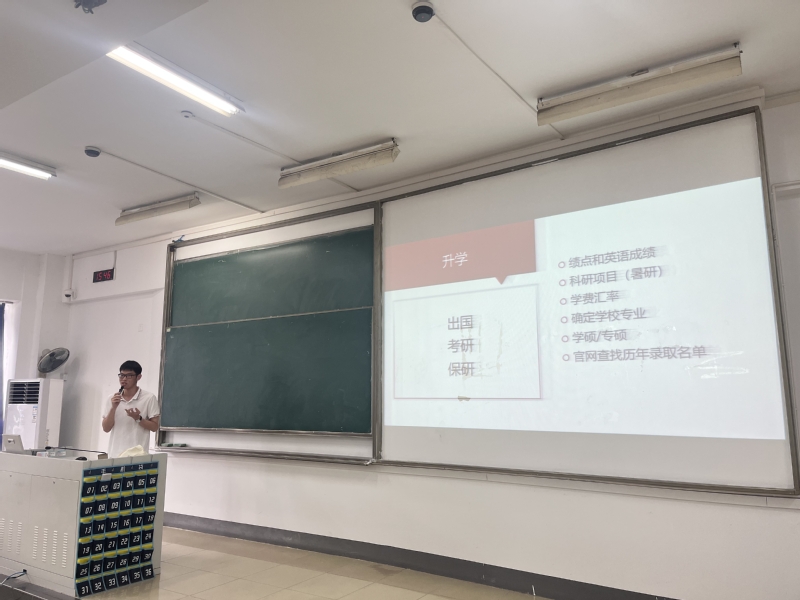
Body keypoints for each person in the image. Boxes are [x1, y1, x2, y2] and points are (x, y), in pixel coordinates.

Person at [102, 360, 160, 458]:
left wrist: (138, 418)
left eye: (129, 376)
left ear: (138, 377)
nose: (124, 379)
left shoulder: (149, 398)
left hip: (138, 456)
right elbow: (106, 428)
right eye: (121, 375)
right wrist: (113, 408)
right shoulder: (112, 398)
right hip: (115, 455)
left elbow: (154, 427)